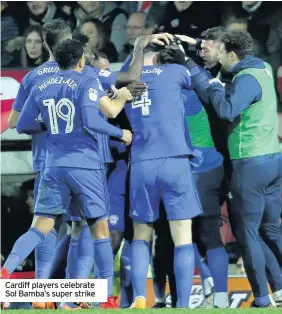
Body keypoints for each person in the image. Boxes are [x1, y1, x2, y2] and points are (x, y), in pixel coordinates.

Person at [1, 38, 133, 309]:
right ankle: (106, 297)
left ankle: (6, 270)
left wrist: (52, 126)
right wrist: (121, 133)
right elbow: (93, 120)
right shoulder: (85, 82)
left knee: (40, 228)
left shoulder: (39, 84)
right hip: (85, 165)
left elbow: (23, 124)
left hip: (53, 165)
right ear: (81, 60)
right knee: (99, 229)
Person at [193, 29, 282, 308]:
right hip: (273, 160)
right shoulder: (264, 68)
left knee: (247, 234)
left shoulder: (245, 79)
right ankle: (279, 290)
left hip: (249, 162)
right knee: (271, 230)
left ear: (233, 54)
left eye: (222, 54)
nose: (219, 59)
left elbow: (228, 110)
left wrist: (216, 86)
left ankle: (262, 298)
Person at [122, 43, 209, 309]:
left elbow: (124, 69)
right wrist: (185, 53)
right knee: (182, 235)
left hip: (141, 163)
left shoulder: (128, 77)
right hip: (174, 160)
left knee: (141, 234)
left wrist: (137, 50)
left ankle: (139, 297)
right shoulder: (174, 70)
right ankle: (182, 304)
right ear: (161, 54)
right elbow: (204, 84)